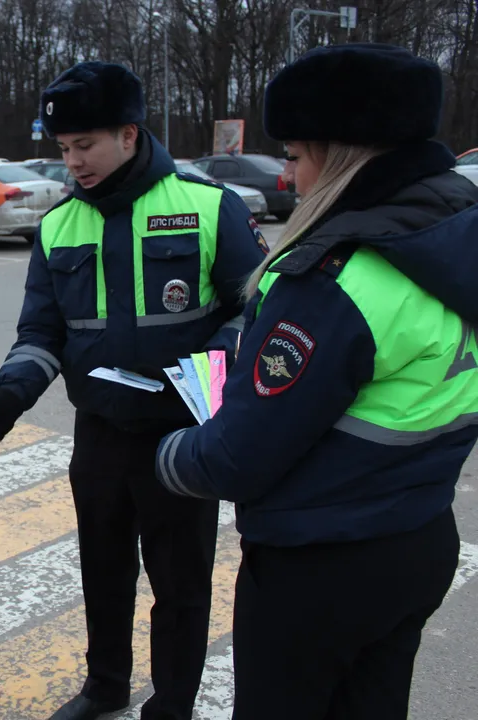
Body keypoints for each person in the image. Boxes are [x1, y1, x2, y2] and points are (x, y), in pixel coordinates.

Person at [154, 43, 476, 719]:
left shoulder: (338, 279)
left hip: (320, 565)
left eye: (296, 156)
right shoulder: (453, 245)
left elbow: (238, 459)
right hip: (420, 536)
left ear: (341, 157)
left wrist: (170, 454)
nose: (290, 176)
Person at [0, 61, 267, 720]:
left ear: (130, 134)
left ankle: (174, 700)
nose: (73, 162)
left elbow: (257, 309)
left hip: (181, 433)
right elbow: (41, 332)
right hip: (100, 435)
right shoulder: (59, 226)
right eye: (64, 149)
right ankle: (105, 686)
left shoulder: (210, 205)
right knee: (103, 571)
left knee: (180, 583)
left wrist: (219, 354)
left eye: (85, 145)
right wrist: (10, 395)